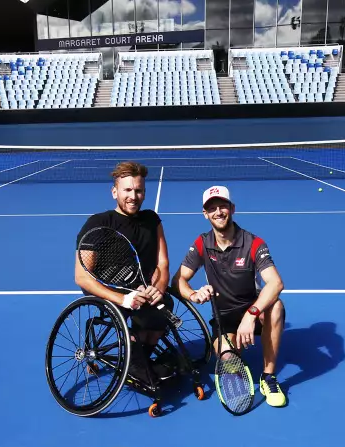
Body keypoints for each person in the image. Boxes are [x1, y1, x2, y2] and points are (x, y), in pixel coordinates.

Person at [173, 185, 287, 407]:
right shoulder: (201, 244)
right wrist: (194, 295)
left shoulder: (253, 243)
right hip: (223, 316)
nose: (218, 212)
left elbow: (275, 282)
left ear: (232, 208)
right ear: (205, 214)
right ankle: (235, 350)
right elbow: (177, 281)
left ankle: (268, 377)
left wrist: (251, 314)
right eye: (212, 208)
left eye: (222, 206)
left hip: (252, 310)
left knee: (276, 307)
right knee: (228, 360)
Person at [75, 161, 173, 384]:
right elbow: (82, 277)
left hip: (142, 290)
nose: (133, 196)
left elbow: (163, 263)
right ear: (114, 192)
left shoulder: (152, 220)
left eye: (138, 190)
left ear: (144, 193)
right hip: (110, 293)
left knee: (163, 309)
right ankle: (134, 359)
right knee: (133, 319)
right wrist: (123, 298)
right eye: (127, 190)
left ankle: (138, 357)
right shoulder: (98, 223)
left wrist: (157, 289)